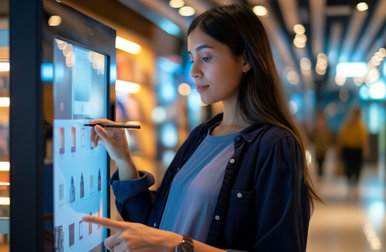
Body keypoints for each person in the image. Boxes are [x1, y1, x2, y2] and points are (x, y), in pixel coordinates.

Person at [84, 3, 320, 251]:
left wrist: (178, 245)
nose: (194, 71)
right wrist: (123, 159)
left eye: (206, 57)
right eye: (191, 59)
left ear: (246, 60)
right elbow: (152, 222)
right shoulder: (201, 135)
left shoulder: (274, 145)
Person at [337, 108, 369, 191]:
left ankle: (354, 184)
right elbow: (342, 137)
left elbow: (364, 139)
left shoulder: (360, 125)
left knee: (357, 167)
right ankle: (350, 183)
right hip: (348, 149)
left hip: (357, 149)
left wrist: (365, 149)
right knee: (349, 167)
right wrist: (340, 147)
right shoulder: (348, 124)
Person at [310, 112, 333, 181]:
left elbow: (329, 138)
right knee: (318, 161)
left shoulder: (327, 130)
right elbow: (312, 138)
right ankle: (319, 173)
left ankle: (321, 174)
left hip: (324, 149)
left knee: (322, 161)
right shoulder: (315, 130)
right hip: (317, 149)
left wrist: (328, 146)